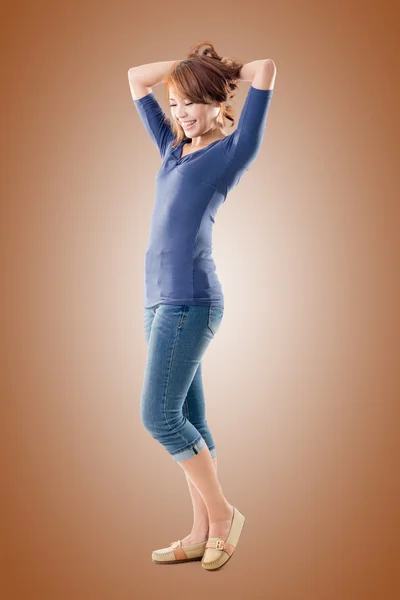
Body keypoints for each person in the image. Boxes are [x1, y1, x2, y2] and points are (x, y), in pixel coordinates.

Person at [128, 42, 276, 570]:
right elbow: (134, 78)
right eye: (175, 104)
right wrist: (185, 73)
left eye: (191, 102)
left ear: (216, 102)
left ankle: (222, 514)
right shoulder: (172, 148)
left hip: (191, 300)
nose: (181, 113)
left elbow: (265, 69)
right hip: (156, 302)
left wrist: (212, 72)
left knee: (159, 417)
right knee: (189, 417)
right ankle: (198, 533)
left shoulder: (232, 150)